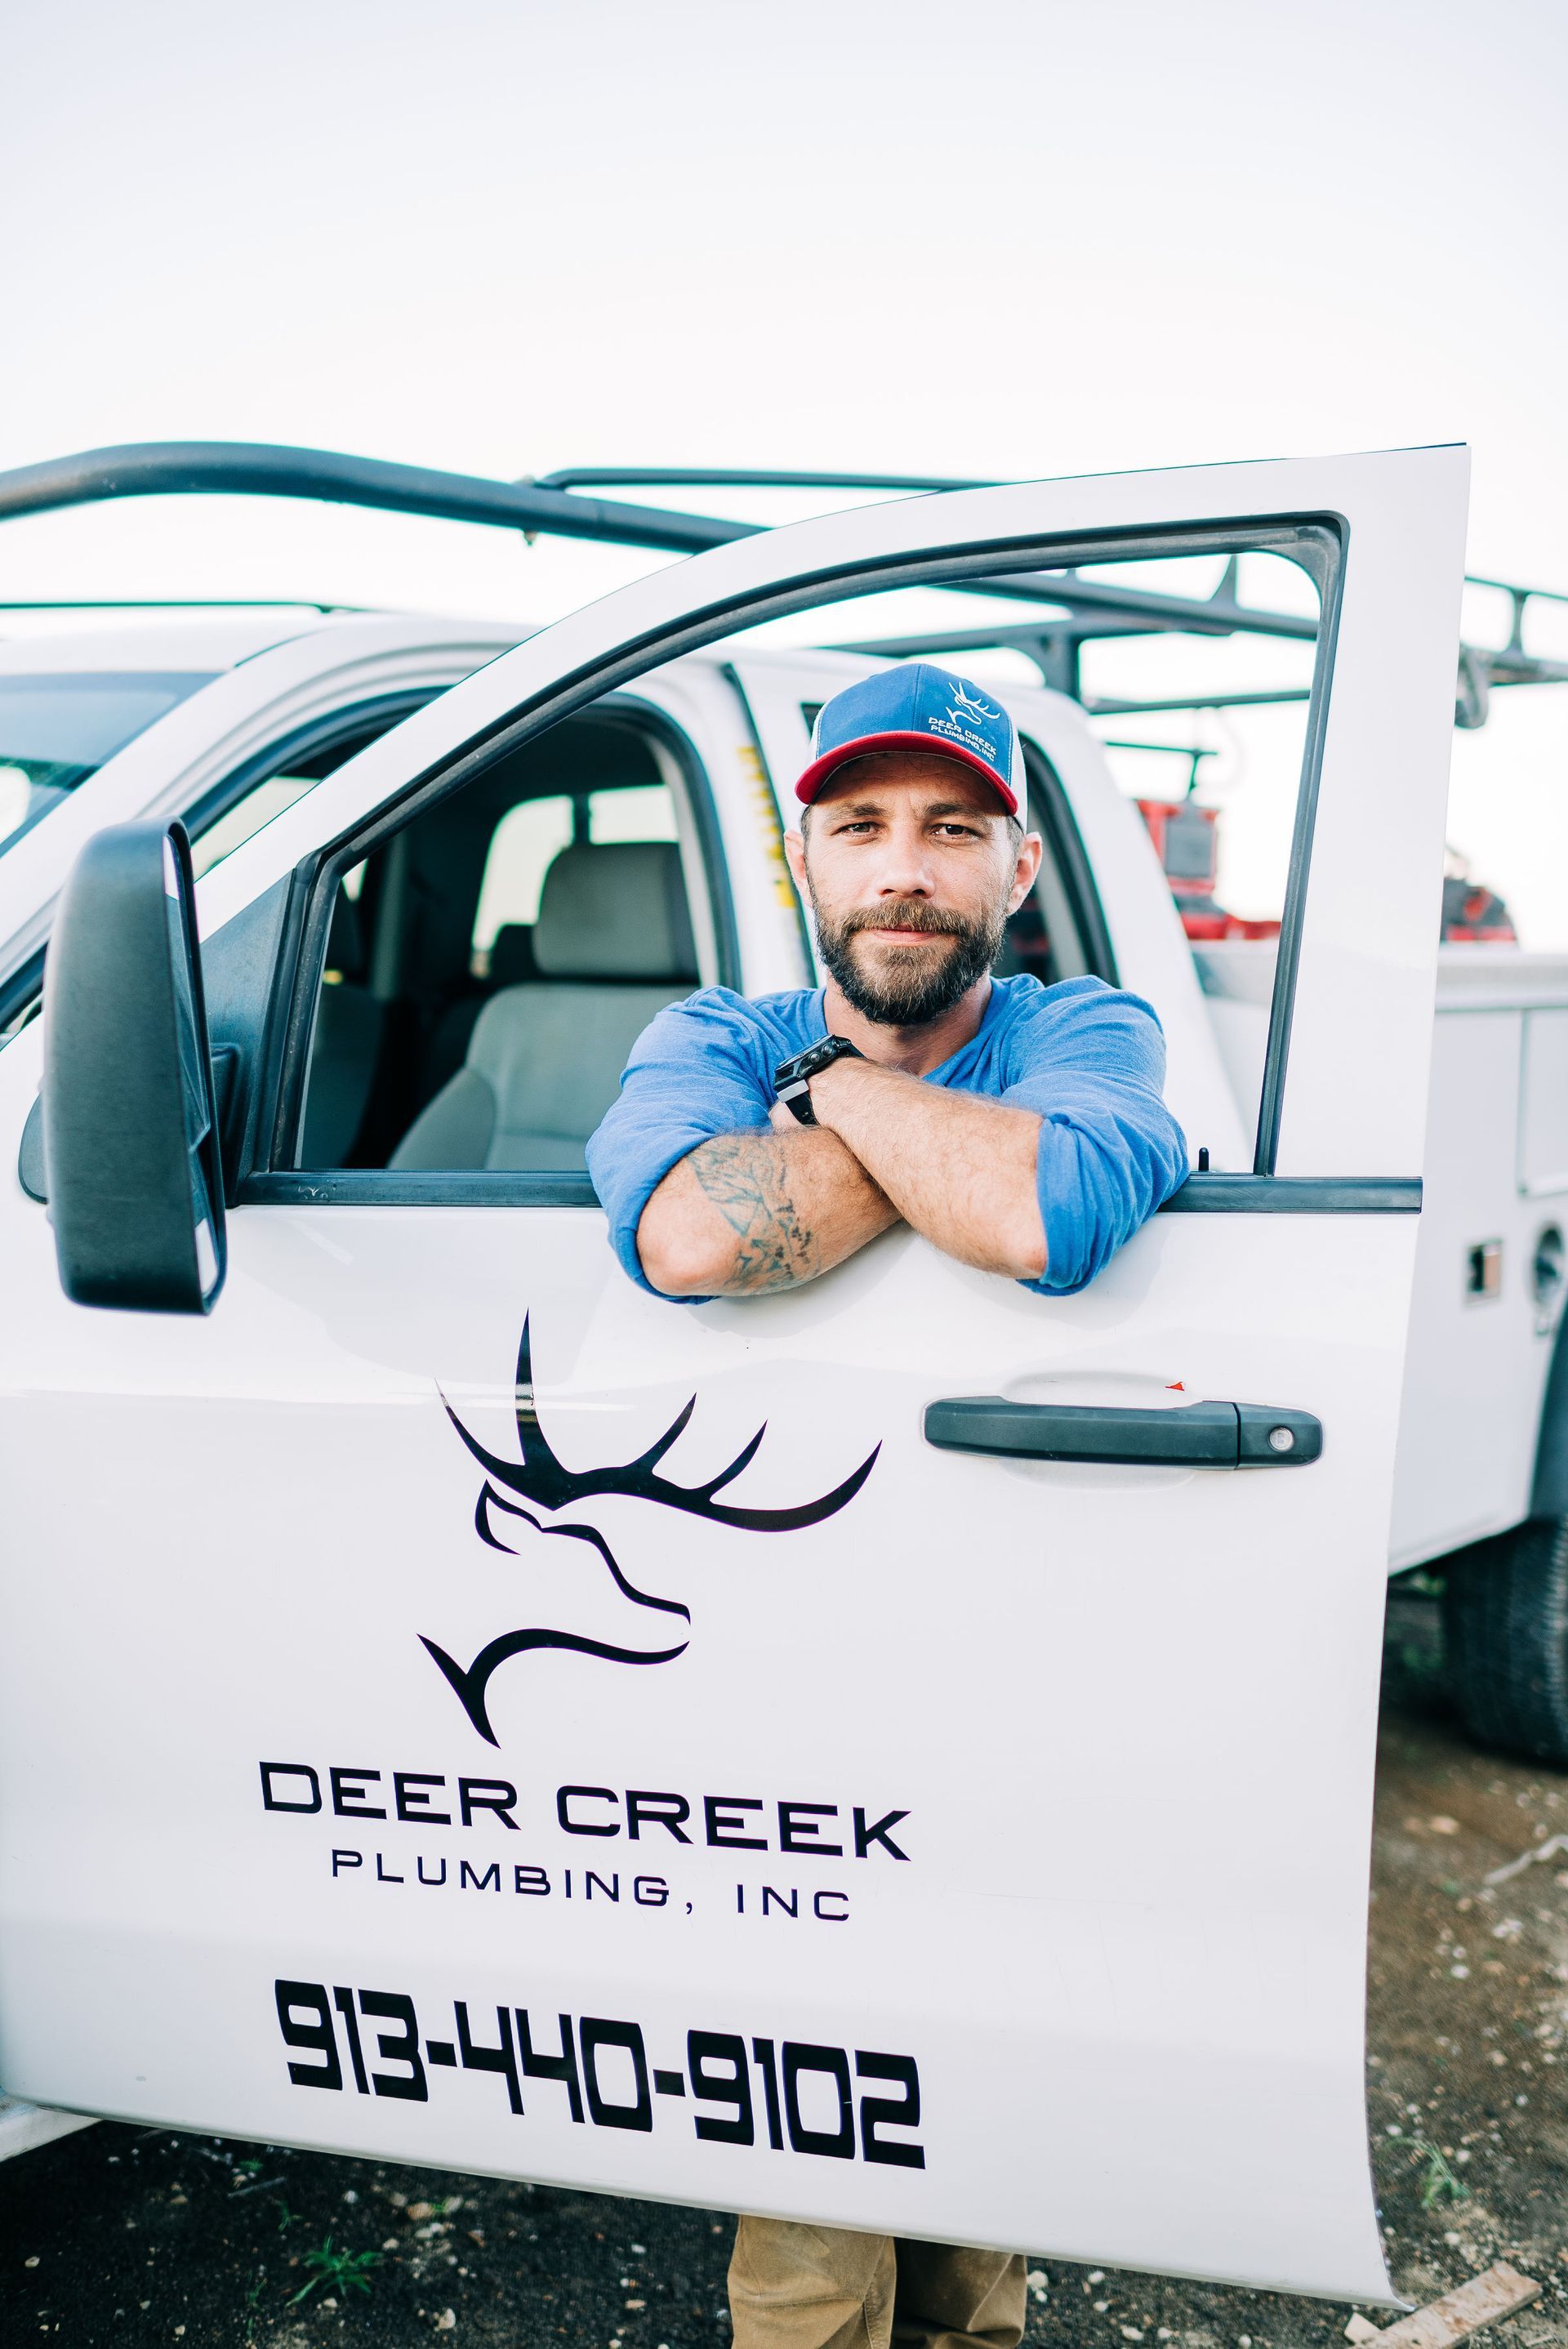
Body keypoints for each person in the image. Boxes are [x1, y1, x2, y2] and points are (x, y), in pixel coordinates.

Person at [585, 662, 1188, 2349]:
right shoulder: (708, 1032)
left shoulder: (1090, 1029)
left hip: (1000, 1651)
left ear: (1019, 871)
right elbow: (694, 1240)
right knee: (814, 2139)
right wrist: (947, 1157)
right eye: (860, 827)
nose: (903, 868)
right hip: (782, 1664)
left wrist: (837, 1094)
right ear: (807, 867)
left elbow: (1053, 1209)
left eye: (950, 828)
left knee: (975, 2148)